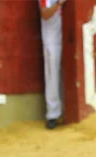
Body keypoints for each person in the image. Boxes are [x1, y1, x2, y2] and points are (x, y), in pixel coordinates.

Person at [39, 0, 67, 129]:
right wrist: (59, 3)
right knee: (52, 75)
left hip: (67, 36)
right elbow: (45, 13)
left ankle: (65, 112)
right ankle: (53, 114)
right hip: (52, 40)